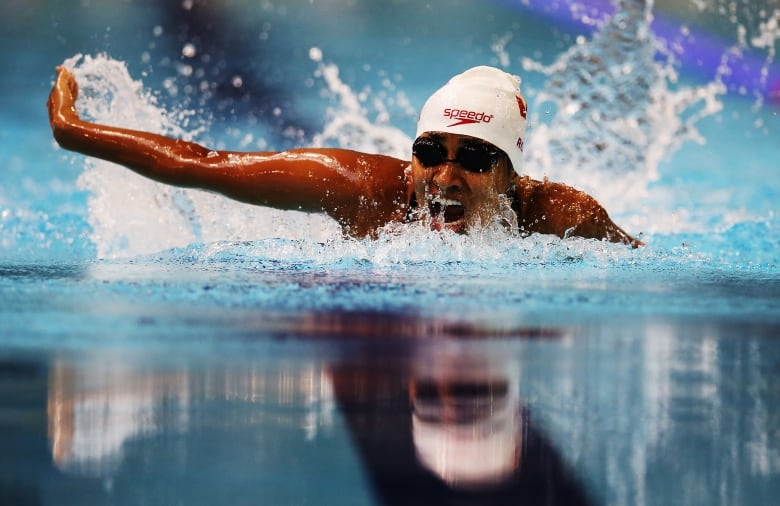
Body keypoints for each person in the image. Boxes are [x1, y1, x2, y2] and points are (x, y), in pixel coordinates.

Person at [48, 64, 642, 246]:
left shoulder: (562, 219)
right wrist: (74, 129)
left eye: (476, 158)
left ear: (512, 172)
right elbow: (204, 164)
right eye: (431, 151)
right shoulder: (364, 191)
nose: (446, 176)